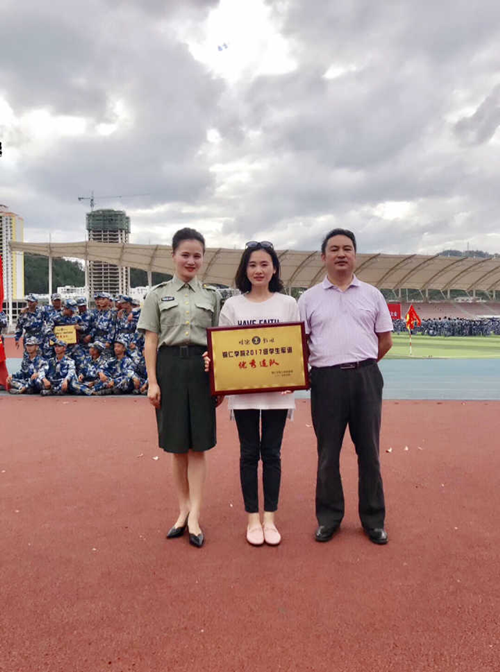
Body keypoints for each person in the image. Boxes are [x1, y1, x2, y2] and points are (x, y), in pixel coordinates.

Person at [298, 229, 393, 545]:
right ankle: (329, 518)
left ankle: (373, 520)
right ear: (323, 257)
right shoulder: (308, 299)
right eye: (334, 249)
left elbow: (385, 340)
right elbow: (301, 343)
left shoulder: (372, 295)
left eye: (347, 248)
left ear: (355, 255)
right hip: (326, 381)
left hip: (366, 377)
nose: (341, 254)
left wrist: (363, 365)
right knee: (328, 454)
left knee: (370, 453)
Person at [137, 227, 220, 548]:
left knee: (198, 445)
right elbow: (151, 340)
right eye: (185, 254)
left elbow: (219, 340)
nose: (191, 261)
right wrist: (152, 381)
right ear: (173, 256)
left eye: (197, 256)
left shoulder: (212, 296)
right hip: (169, 368)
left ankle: (196, 514)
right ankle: (183, 509)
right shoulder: (157, 295)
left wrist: (218, 378)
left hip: (201, 369)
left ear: (203, 259)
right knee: (176, 445)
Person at [217, 241, 300, 546]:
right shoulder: (232, 306)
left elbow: (296, 345)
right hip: (244, 394)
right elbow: (224, 349)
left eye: (264, 264)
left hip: (278, 393)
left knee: (273, 454)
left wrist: (294, 375)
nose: (258, 270)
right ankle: (253, 518)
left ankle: (270, 519)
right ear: (245, 270)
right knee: (249, 454)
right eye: (252, 265)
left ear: (274, 268)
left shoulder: (288, 304)